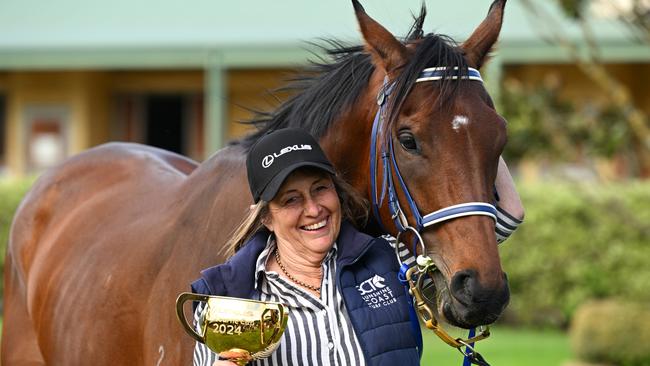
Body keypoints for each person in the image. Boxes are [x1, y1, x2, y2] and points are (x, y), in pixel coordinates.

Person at [190, 128, 524, 366]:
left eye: (320, 189)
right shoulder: (227, 296)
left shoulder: (390, 257)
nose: (313, 209)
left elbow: (508, 214)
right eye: (291, 199)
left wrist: (470, 128)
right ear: (266, 217)